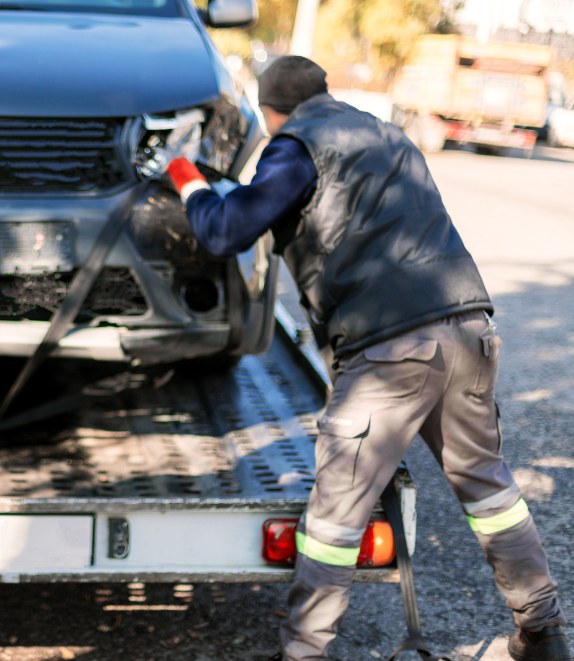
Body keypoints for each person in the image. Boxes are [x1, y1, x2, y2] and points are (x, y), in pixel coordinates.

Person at [165, 56, 569, 661]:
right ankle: (544, 633)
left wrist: (184, 176)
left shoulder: (296, 143)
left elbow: (227, 231)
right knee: (489, 490)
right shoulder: (388, 134)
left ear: (272, 112)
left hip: (393, 350)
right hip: (469, 327)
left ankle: (302, 652)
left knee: (335, 515)